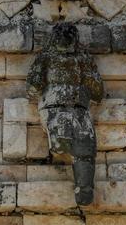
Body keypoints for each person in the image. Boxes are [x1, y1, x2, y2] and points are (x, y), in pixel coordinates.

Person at [25, 23, 104, 206]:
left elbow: (98, 91)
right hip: (55, 107)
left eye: (68, 35)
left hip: (79, 109)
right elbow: (33, 87)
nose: (65, 39)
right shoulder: (46, 57)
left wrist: (86, 72)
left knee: (86, 145)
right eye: (60, 35)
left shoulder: (83, 58)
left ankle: (85, 188)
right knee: (61, 143)